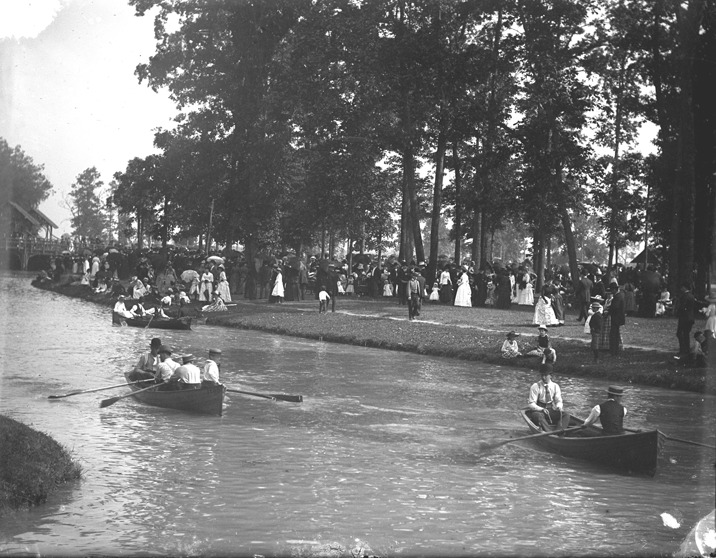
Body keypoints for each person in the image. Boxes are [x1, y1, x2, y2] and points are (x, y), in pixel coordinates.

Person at [527, 363, 570, 431]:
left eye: (545, 375)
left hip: (550, 411)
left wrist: (559, 407)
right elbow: (531, 404)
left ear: (551, 375)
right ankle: (549, 432)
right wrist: (541, 409)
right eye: (542, 375)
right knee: (538, 416)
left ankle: (558, 431)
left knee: (566, 415)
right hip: (539, 411)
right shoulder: (535, 386)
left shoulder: (555, 386)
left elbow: (559, 401)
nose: (543, 377)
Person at [675, 283, 696, 358]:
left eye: (682, 287)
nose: (681, 289)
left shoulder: (685, 296)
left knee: (680, 333)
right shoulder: (691, 296)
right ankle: (686, 349)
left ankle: (683, 349)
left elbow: (682, 306)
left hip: (684, 317)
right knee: (686, 334)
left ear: (684, 287)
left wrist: (678, 313)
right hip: (690, 317)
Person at [607, 283, 626, 356]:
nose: (611, 292)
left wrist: (608, 311)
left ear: (615, 289)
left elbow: (615, 307)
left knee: (613, 335)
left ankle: (613, 351)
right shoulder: (620, 295)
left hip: (616, 318)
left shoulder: (617, 297)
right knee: (615, 335)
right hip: (618, 318)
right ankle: (615, 351)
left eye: (612, 290)